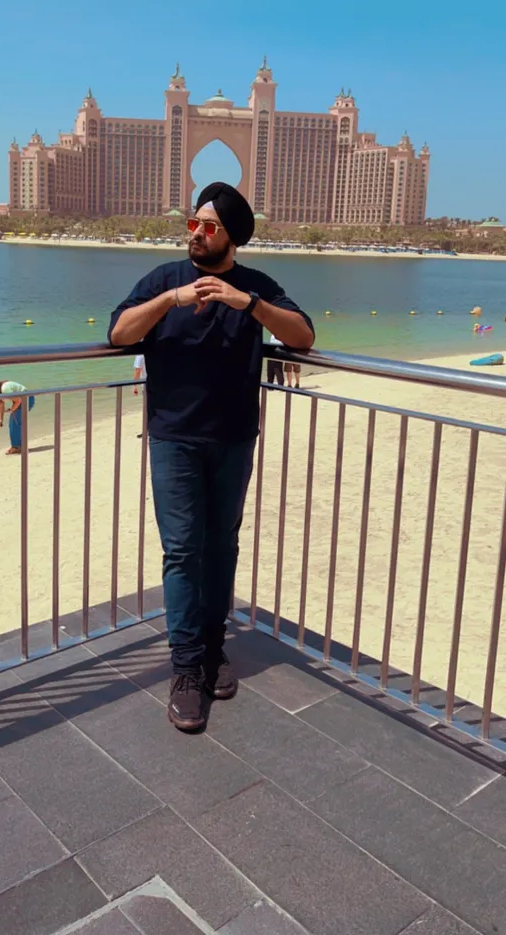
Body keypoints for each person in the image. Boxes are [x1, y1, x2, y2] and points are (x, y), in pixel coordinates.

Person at [109, 181, 314, 732]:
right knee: (181, 552)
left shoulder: (256, 286)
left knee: (221, 546)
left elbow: (303, 337)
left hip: (234, 438)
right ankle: (185, 669)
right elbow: (119, 332)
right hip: (173, 439)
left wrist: (247, 304)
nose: (196, 233)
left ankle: (212, 648)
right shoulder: (164, 279)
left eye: (209, 226)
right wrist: (170, 301)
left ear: (232, 236)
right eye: (193, 224)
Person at [0, 380, 35, 455]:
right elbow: (1, 406)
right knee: (14, 423)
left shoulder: (5, 389)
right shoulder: (2, 390)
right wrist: (1, 419)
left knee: (14, 422)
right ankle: (19, 445)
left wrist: (11, 410)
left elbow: (18, 400)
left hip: (27, 399)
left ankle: (16, 447)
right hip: (24, 398)